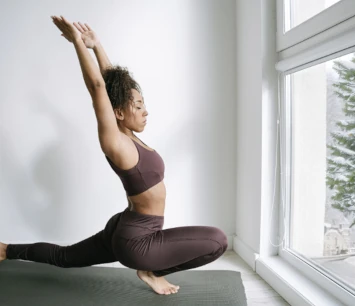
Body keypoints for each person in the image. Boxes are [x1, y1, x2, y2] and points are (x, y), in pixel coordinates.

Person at [0, 15, 228, 296]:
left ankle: (5, 250)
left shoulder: (129, 136)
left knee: (66, 257)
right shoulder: (116, 143)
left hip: (125, 227)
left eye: (144, 104)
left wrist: (97, 46)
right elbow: (98, 88)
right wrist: (77, 44)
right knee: (218, 241)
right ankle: (150, 270)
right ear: (119, 113)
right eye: (139, 105)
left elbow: (111, 87)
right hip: (138, 242)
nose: (145, 110)